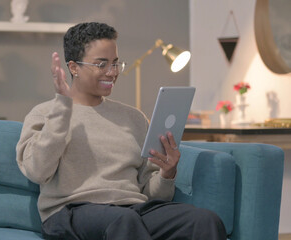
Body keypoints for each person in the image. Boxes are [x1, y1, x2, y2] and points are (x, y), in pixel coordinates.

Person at [16, 22, 227, 240]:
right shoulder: (45, 113)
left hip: (131, 211)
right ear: (73, 67)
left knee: (204, 220)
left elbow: (151, 193)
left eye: (115, 63)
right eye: (101, 64)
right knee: (123, 220)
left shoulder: (133, 118)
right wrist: (62, 111)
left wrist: (167, 174)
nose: (112, 72)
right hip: (69, 213)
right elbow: (37, 171)